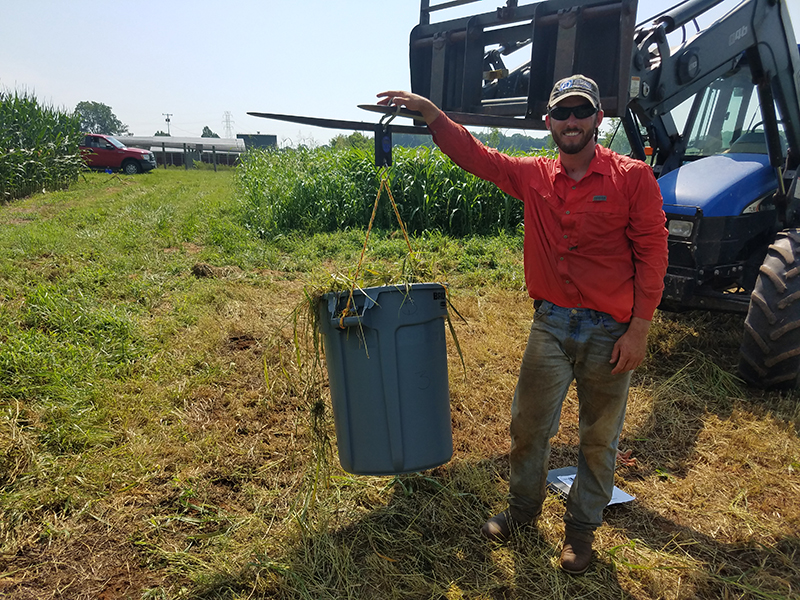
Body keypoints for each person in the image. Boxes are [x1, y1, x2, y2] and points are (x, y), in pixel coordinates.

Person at [377, 75, 668, 575]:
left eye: (581, 111)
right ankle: (522, 511)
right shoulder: (533, 175)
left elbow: (653, 251)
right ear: (548, 122)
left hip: (612, 330)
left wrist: (639, 328)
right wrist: (431, 113)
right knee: (528, 426)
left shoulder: (632, 178)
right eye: (562, 113)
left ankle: (580, 531)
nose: (571, 121)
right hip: (551, 323)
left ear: (599, 119)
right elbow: (477, 157)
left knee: (599, 438)